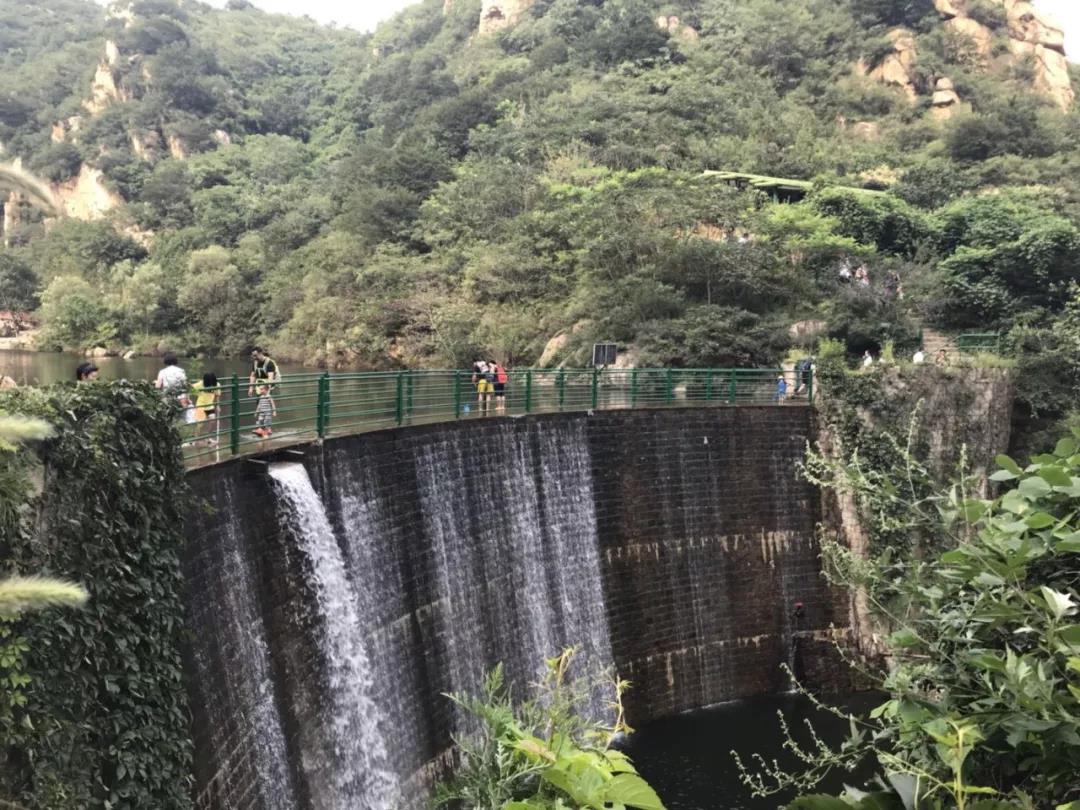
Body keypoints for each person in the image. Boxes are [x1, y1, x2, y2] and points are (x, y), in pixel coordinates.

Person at [192, 372, 220, 445]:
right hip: (200, 406)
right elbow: (191, 388)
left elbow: (217, 395)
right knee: (200, 425)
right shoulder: (200, 384)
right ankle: (196, 440)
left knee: (212, 422)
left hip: (210, 406)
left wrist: (218, 405)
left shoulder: (217, 384)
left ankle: (208, 438)